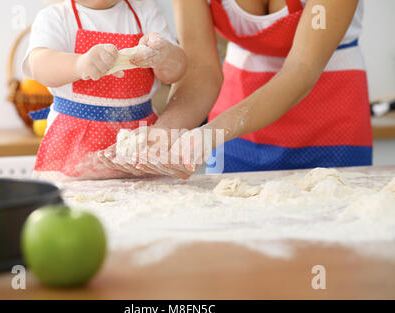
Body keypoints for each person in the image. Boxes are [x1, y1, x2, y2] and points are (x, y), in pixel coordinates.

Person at [99, 0, 372, 180]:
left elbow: (300, 69)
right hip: (233, 129)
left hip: (331, 121)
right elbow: (200, 69)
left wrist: (208, 135)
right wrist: (165, 132)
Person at [22, 0, 187, 181]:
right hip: (73, 149)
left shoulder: (145, 11)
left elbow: (176, 72)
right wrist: (78, 64)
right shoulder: (56, 17)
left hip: (140, 145)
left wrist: (164, 55)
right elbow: (38, 65)